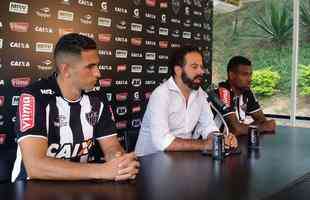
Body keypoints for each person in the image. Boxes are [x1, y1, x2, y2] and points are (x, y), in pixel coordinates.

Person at [11, 33, 139, 182]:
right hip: (31, 188)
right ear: (66, 70)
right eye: (90, 67)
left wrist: (119, 161)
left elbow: (111, 146)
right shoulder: (35, 96)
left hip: (79, 186)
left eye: (97, 65)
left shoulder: (97, 97)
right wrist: (103, 170)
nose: (98, 73)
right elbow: (35, 166)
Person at [135, 46, 238, 156]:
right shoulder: (161, 95)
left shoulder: (200, 94)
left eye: (201, 67)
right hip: (150, 163)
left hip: (182, 159)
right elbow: (163, 142)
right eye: (194, 67)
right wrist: (205, 144)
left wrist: (219, 139)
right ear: (178, 70)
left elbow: (208, 127)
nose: (201, 71)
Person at [211, 56, 276, 136]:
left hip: (235, 143)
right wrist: (262, 127)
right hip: (215, 144)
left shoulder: (247, 92)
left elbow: (261, 120)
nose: (249, 79)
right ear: (232, 75)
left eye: (250, 74)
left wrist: (244, 128)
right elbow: (235, 129)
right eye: (245, 74)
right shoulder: (223, 92)